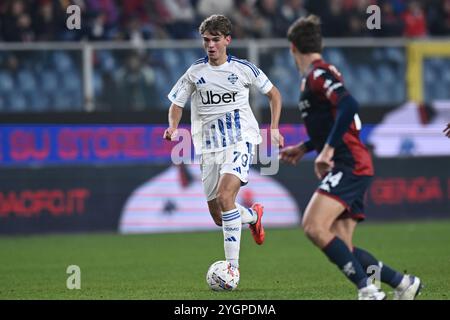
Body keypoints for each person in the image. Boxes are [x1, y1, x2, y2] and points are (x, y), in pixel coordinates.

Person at [280, 15, 422, 300]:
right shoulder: (317, 76)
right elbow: (338, 121)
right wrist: (306, 148)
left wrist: (328, 151)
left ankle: (368, 291)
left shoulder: (319, 74)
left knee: (313, 226)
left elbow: (349, 105)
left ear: (293, 48)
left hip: (350, 163)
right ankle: (403, 283)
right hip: (355, 161)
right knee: (342, 243)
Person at [163, 15, 284, 274]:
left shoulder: (243, 69)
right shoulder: (195, 73)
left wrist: (273, 128)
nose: (210, 45)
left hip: (240, 140)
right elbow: (176, 105)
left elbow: (274, 95)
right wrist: (173, 126)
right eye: (206, 40)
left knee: (225, 196)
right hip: (208, 148)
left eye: (215, 40)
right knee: (219, 216)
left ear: (227, 40)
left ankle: (232, 269)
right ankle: (252, 216)